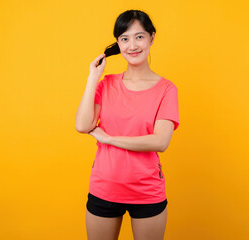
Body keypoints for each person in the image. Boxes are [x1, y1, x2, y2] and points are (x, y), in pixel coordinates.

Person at [75, 9, 179, 240]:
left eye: (139, 36)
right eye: (124, 38)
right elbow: (82, 125)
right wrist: (93, 77)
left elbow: (160, 141)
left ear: (152, 37)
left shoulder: (167, 89)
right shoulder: (106, 83)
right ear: (118, 44)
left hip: (147, 191)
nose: (132, 45)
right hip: (104, 186)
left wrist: (109, 139)